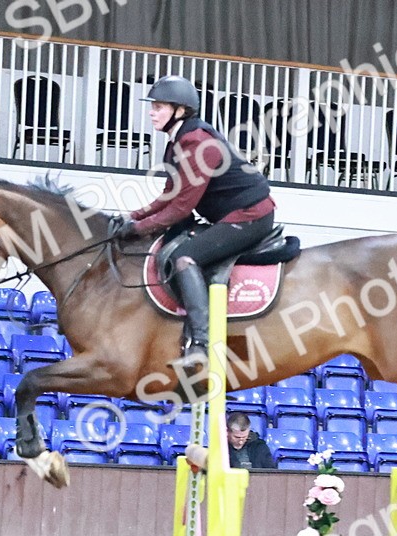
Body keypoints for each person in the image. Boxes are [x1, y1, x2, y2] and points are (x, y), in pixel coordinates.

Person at [111, 75, 277, 369]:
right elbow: (169, 195)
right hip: (231, 215)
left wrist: (137, 229)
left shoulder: (198, 142)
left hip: (250, 216)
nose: (151, 112)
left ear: (180, 110)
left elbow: (180, 209)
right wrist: (133, 216)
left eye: (159, 107)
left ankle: (200, 344)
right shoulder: (177, 142)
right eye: (153, 107)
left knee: (185, 258)